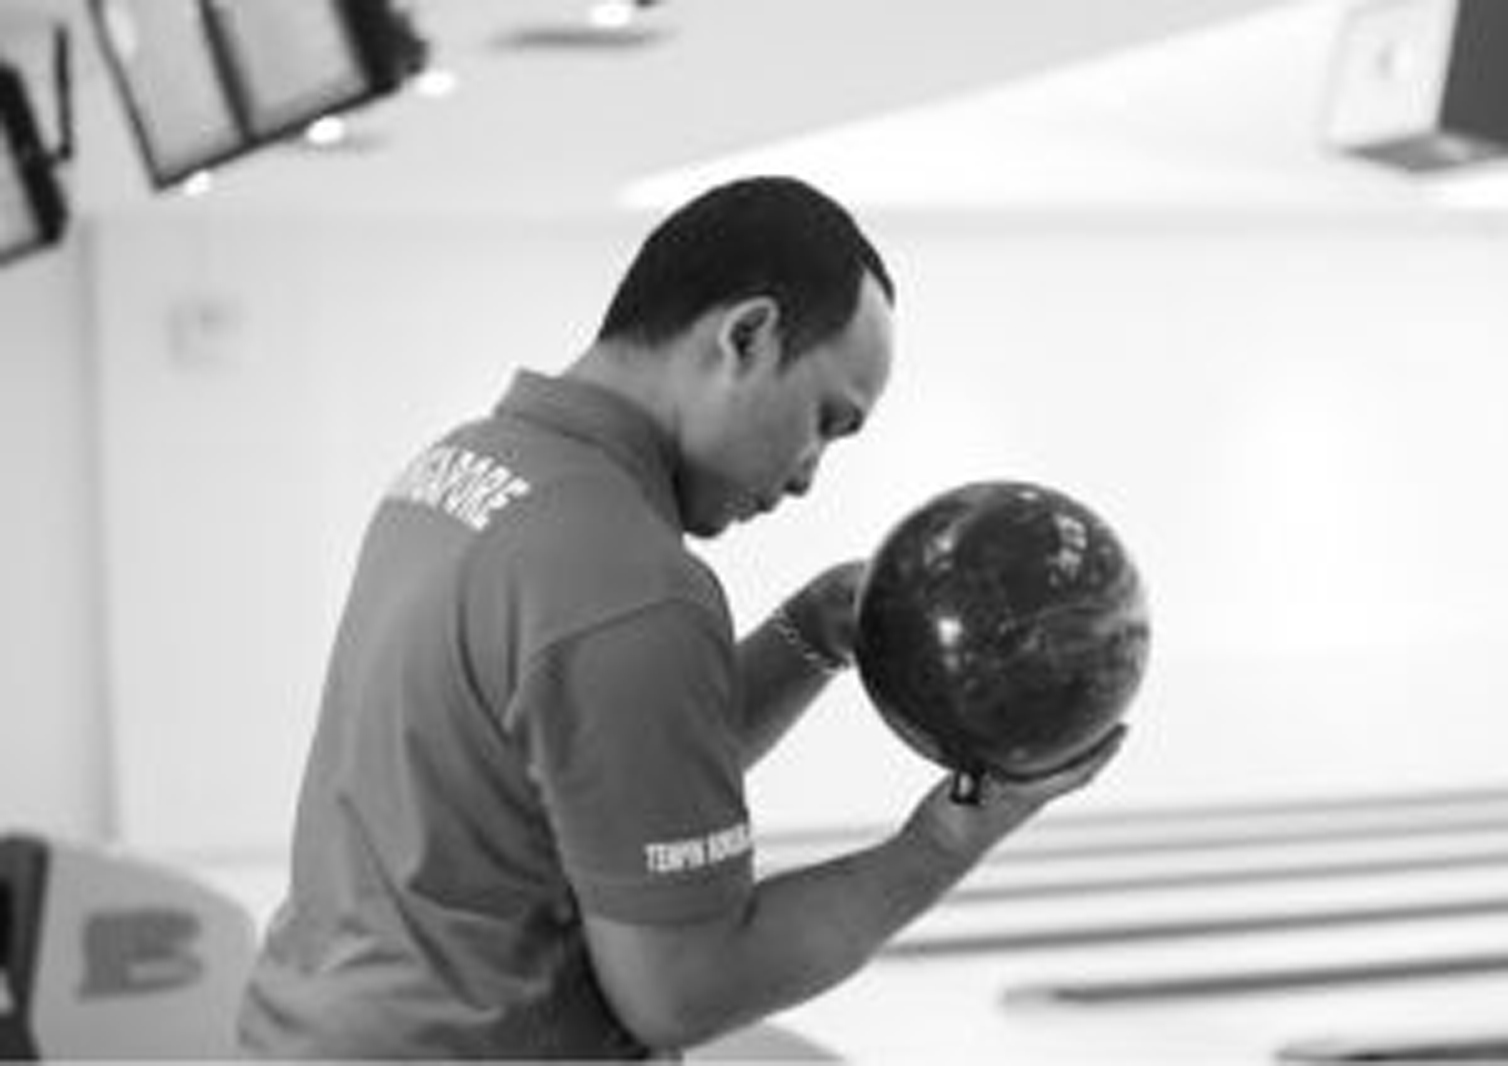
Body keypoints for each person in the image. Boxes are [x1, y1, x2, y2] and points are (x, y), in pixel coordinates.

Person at [236, 175, 1124, 1059]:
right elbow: (685, 988)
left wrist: (808, 634)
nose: (811, 473)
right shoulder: (628, 580)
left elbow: (603, 768)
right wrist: (948, 838)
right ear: (747, 334)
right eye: (826, 420)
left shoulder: (456, 469)